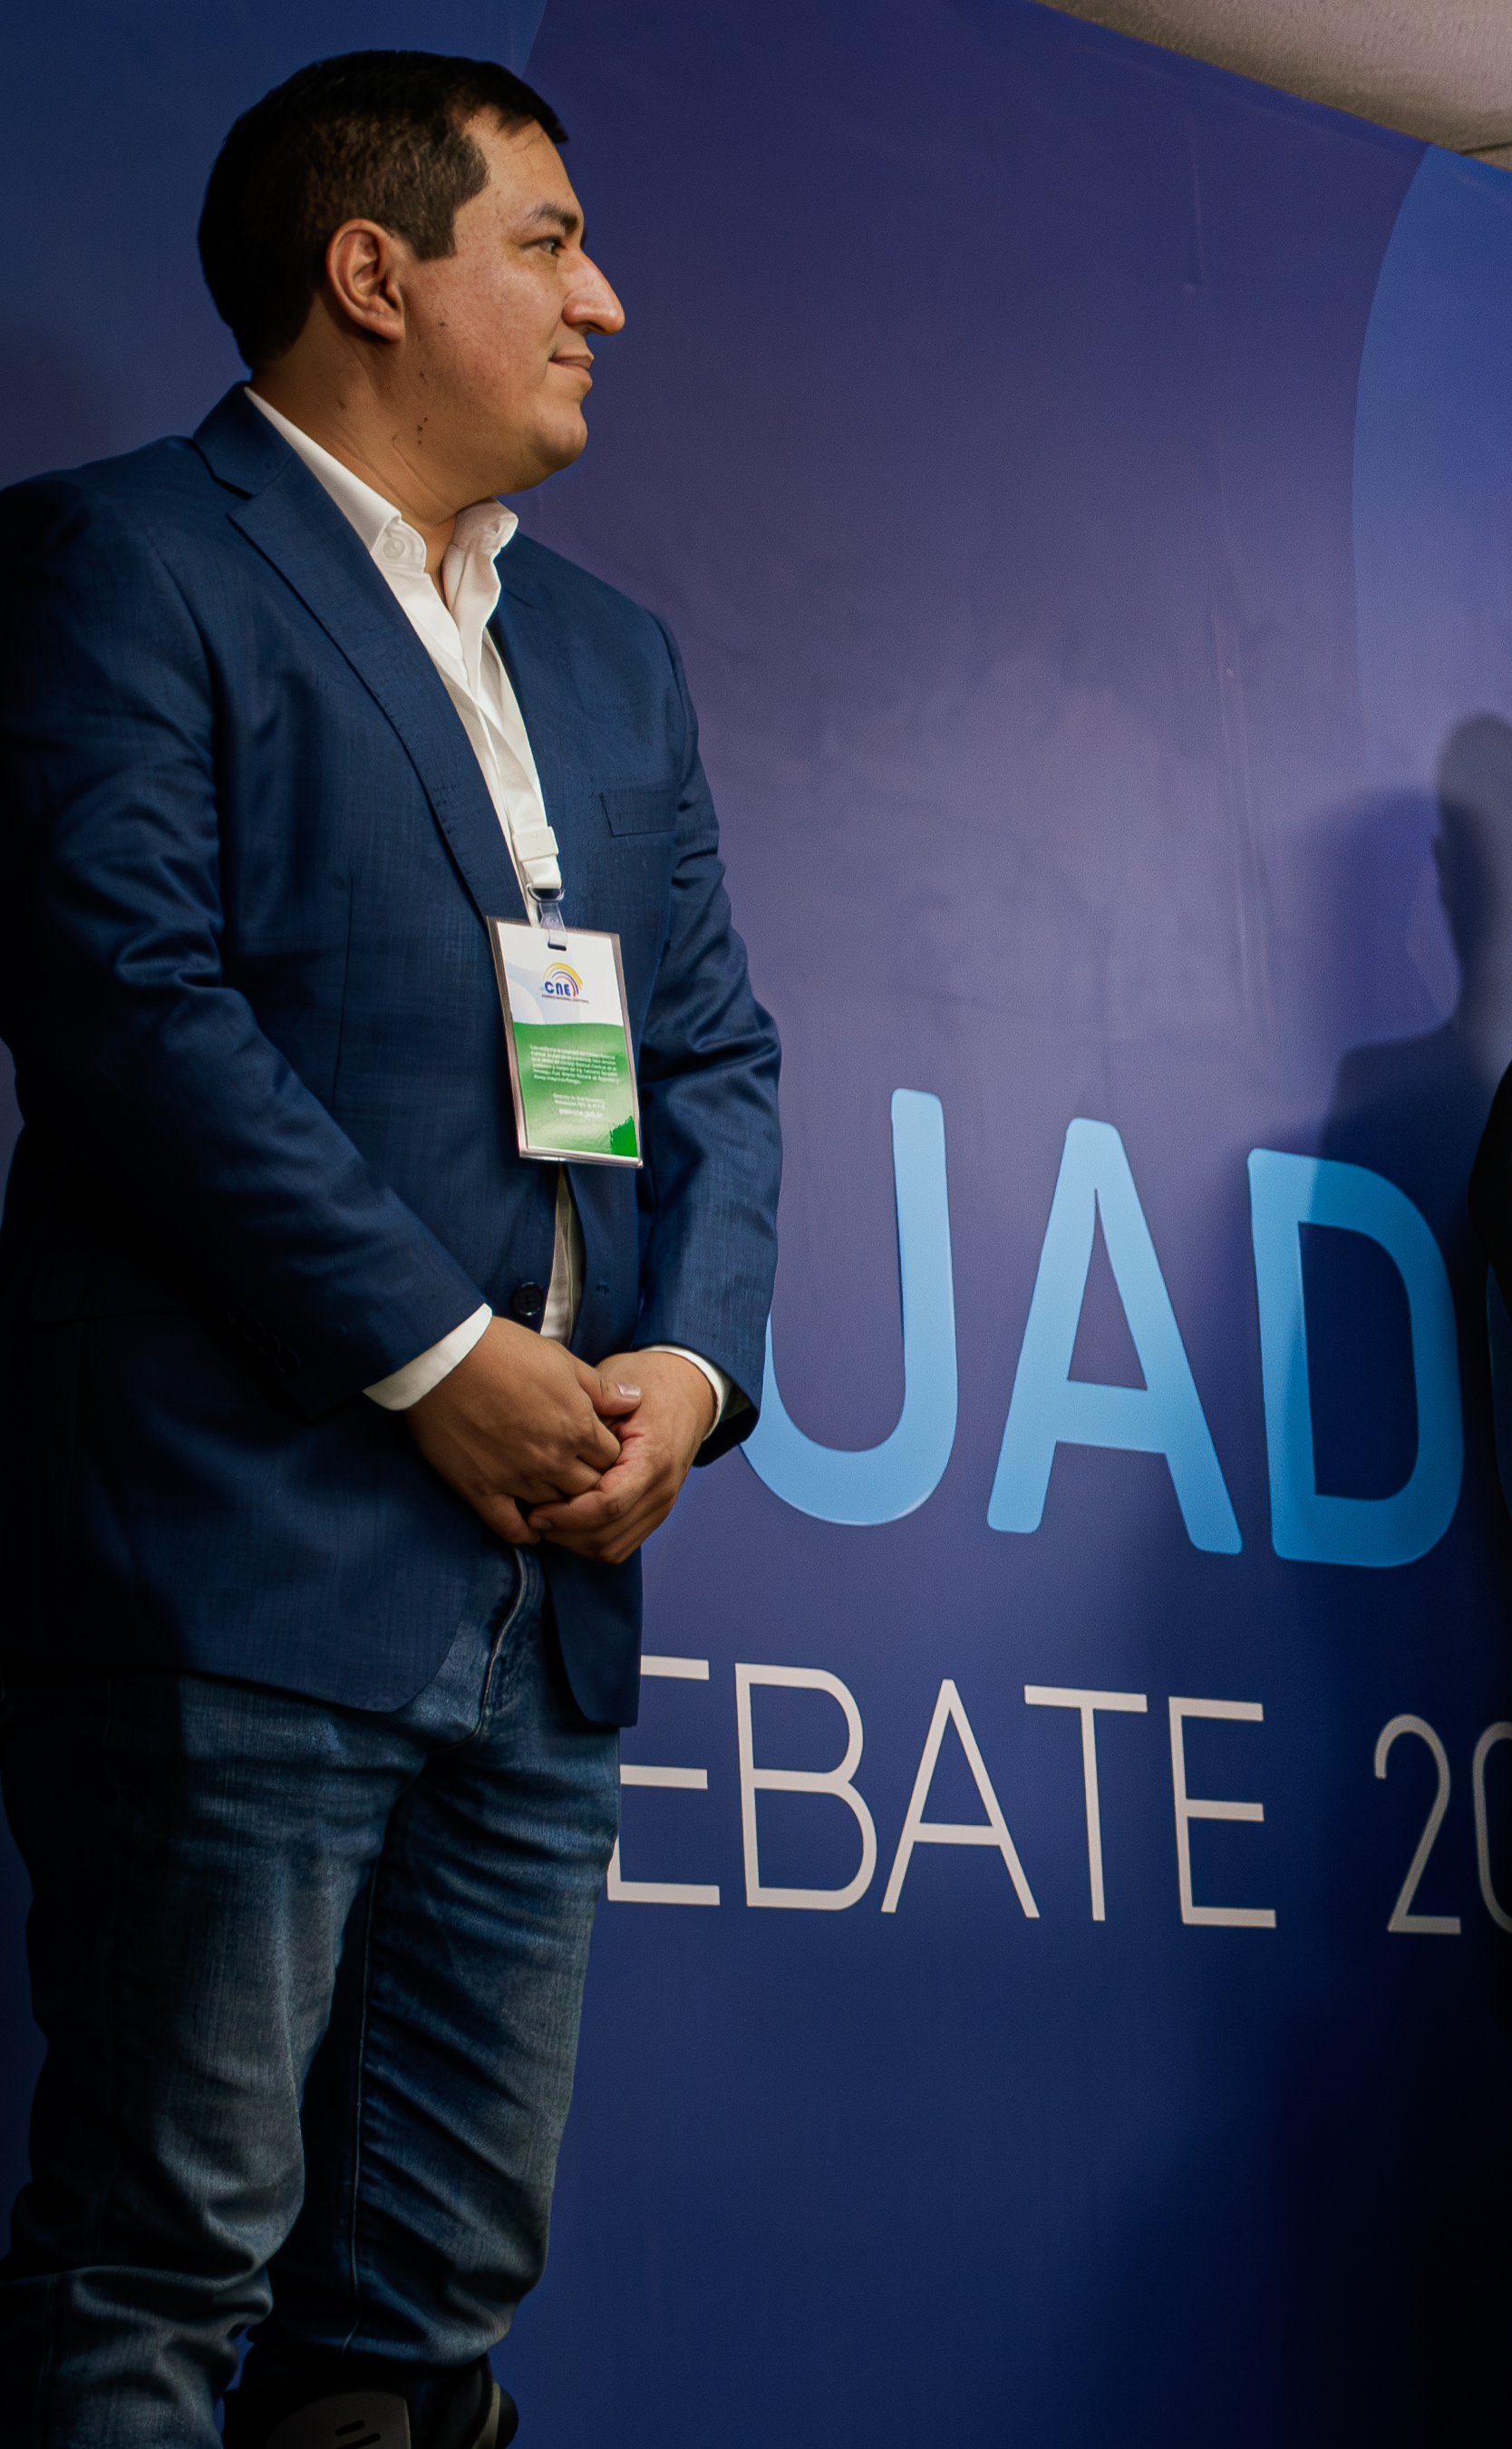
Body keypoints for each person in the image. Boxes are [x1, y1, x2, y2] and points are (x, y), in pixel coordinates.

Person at [0, 54, 780, 2447]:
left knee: (427, 2304)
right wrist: (439, 1351)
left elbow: (716, 1056)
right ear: (375, 270)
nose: (606, 299)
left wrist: (689, 1369)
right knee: (161, 2253)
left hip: (547, 1591)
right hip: (243, 1564)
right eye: (548, 241)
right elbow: (126, 1008)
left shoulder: (616, 655)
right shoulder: (124, 558)